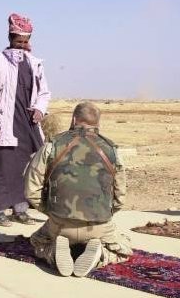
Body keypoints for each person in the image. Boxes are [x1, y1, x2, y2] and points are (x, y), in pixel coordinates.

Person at [24, 102, 132, 277]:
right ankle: (101, 254)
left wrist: (50, 211)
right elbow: (120, 198)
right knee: (124, 247)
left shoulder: (52, 146)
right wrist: (104, 213)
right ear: (98, 123)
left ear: (74, 120)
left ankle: (52, 252)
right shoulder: (112, 150)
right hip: (99, 226)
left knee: (37, 241)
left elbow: (31, 190)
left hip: (59, 224)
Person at [0, 13, 51, 226]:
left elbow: (44, 92)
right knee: (4, 168)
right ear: (10, 38)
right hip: (6, 123)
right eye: (18, 41)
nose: (21, 45)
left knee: (26, 167)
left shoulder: (34, 63)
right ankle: (0, 211)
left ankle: (21, 210)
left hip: (28, 124)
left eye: (25, 41)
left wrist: (40, 109)